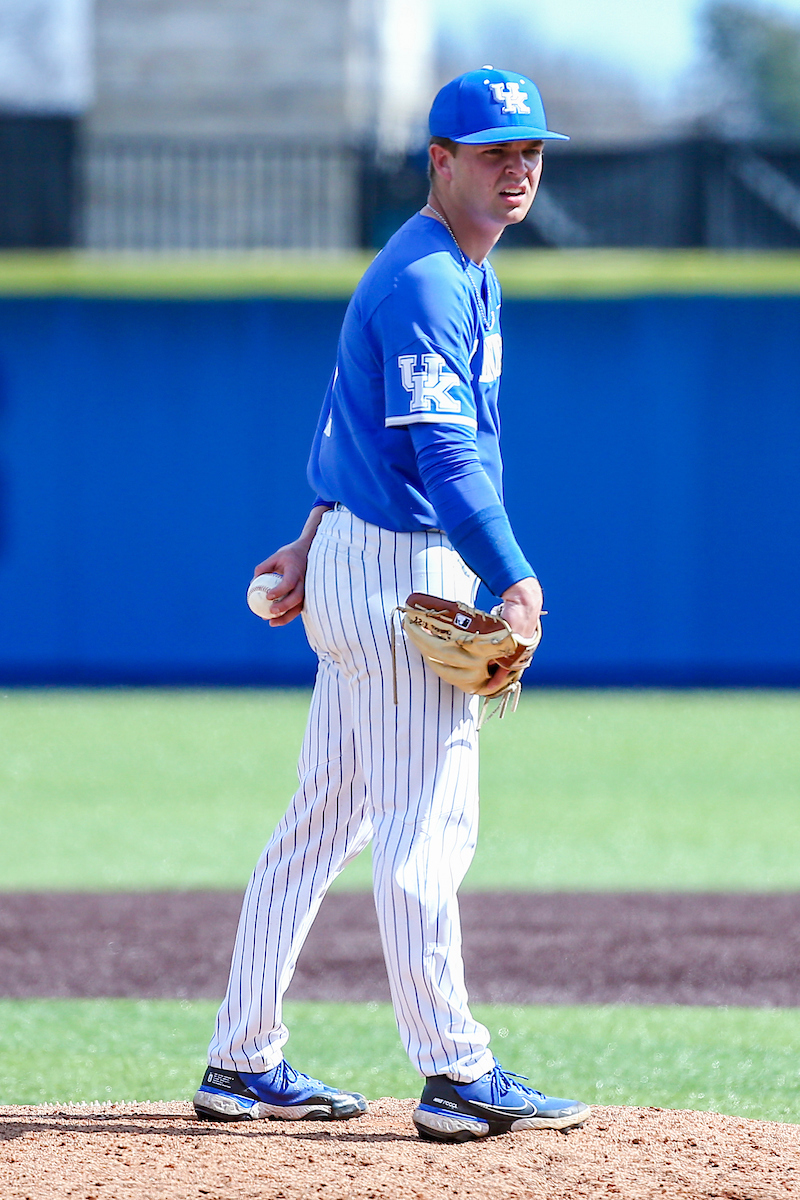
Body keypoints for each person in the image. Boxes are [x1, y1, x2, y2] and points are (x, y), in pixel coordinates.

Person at [193, 66, 590, 1143]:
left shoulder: (449, 267)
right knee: (427, 826)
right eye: (494, 152)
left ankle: (241, 1058)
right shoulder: (425, 279)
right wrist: (514, 576)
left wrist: (313, 534)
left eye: (529, 151)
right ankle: (454, 1071)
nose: (517, 170)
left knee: (322, 822)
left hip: (361, 559)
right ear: (440, 160)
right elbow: (444, 458)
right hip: (403, 572)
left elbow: (352, 426)